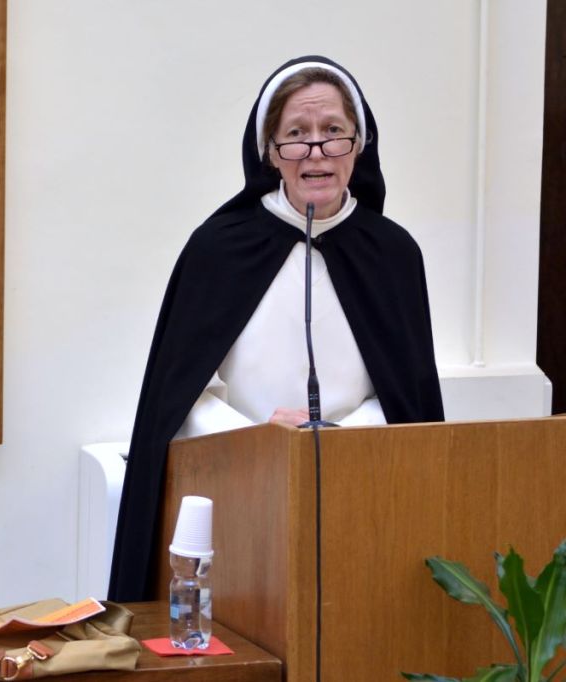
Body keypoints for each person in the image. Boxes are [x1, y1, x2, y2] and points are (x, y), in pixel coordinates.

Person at [108, 56, 444, 601]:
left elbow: (408, 397)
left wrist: (336, 442)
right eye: (296, 135)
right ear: (269, 153)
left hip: (363, 490)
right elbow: (180, 400)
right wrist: (265, 442)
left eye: (333, 132)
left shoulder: (393, 255)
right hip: (239, 496)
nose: (316, 151)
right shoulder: (217, 249)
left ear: (358, 147)